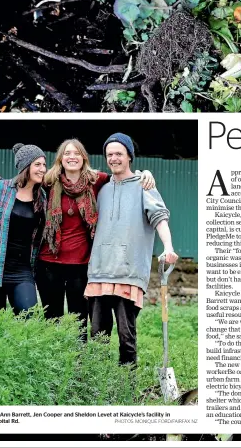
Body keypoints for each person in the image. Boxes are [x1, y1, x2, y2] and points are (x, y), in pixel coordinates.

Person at [0, 139, 156, 340]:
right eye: (67, 153)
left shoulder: (97, 180)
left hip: (81, 265)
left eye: (76, 153)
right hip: (48, 263)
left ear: (83, 158)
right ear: (60, 158)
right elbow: (22, 182)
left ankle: (78, 366)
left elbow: (123, 177)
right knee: (52, 319)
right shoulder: (49, 181)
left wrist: (144, 174)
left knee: (79, 321)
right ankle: (55, 365)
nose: (71, 157)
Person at [85, 132, 178, 366]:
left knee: (127, 338)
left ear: (129, 157)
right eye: (109, 154)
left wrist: (168, 247)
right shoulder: (102, 189)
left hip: (128, 273)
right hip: (99, 272)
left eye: (119, 154)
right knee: (97, 337)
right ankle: (97, 386)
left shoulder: (143, 185)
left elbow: (159, 218)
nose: (114, 158)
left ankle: (126, 390)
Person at [0, 144, 47, 314]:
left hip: (22, 271)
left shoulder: (42, 198)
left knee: (29, 318)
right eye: (37, 164)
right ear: (25, 167)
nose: (43, 169)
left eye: (44, 164)